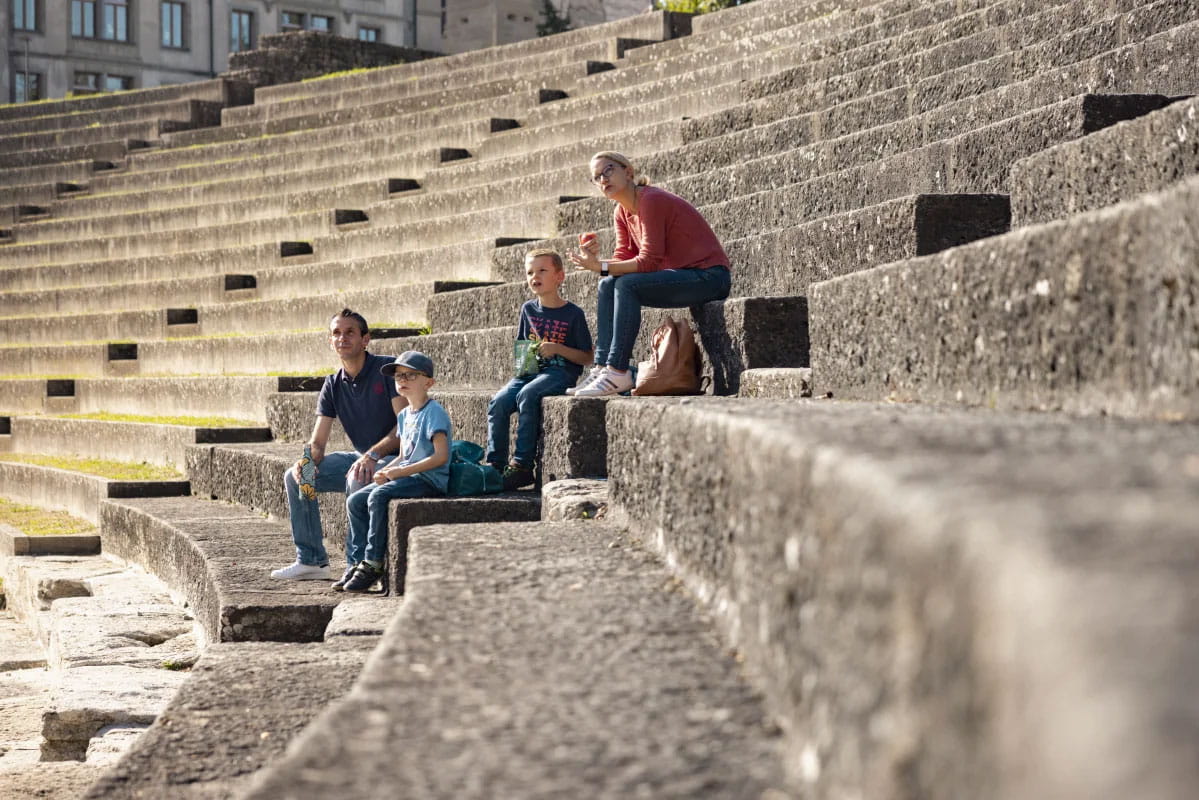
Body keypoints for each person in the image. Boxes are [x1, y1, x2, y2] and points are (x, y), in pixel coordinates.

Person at [567, 151, 731, 397]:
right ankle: (602, 367)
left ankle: (617, 370)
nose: (603, 179)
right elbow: (623, 260)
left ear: (628, 172)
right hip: (681, 277)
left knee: (627, 286)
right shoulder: (621, 212)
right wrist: (597, 261)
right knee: (608, 284)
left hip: (709, 277)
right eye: (596, 177)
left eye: (608, 170)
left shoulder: (651, 201)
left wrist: (601, 266)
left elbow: (649, 261)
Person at [271, 309, 403, 582]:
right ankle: (312, 561)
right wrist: (307, 460)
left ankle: (357, 566)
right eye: (336, 333)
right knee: (297, 478)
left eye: (350, 332)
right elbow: (318, 442)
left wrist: (371, 455)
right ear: (330, 342)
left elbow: (404, 429)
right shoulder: (332, 384)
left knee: (358, 476)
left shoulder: (387, 370)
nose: (342, 338)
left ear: (365, 339)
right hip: (363, 457)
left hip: (397, 458)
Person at [340, 350, 452, 593]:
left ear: (428, 382)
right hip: (406, 475)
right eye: (399, 376)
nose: (402, 380)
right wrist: (387, 470)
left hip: (428, 480)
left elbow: (441, 457)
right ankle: (357, 560)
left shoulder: (434, 413)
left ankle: (373, 563)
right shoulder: (403, 416)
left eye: (411, 375)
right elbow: (403, 455)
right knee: (356, 500)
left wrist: (399, 473)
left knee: (377, 496)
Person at [486, 248, 593, 490]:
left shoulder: (573, 314)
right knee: (498, 402)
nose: (535, 276)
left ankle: (522, 465)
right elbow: (523, 347)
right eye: (530, 272)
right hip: (530, 371)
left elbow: (587, 357)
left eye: (542, 270)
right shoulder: (528, 309)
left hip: (561, 373)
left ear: (559, 276)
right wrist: (522, 370)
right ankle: (495, 465)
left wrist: (557, 348)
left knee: (528, 394)